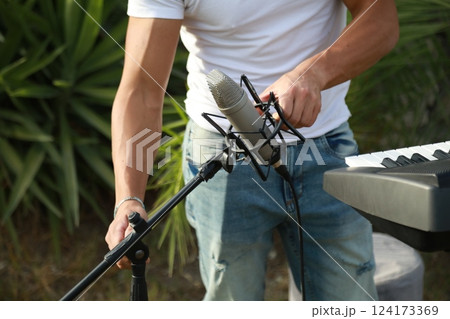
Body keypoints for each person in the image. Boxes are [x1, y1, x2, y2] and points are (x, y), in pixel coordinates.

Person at [105, 0, 399, 300]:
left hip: (326, 147)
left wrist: (315, 73)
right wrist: (129, 199)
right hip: (221, 157)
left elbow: (382, 21)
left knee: (350, 297)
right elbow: (141, 91)